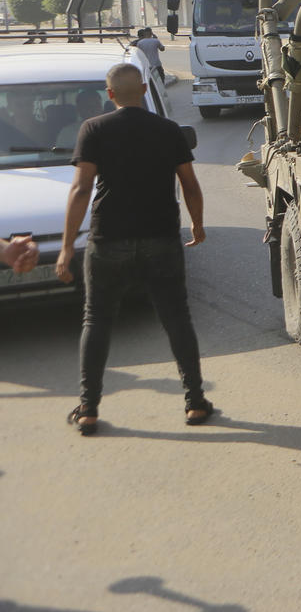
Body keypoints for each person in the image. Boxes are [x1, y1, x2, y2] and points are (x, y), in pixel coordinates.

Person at [57, 63, 211, 434]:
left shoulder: (93, 129)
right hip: (160, 238)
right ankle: (194, 403)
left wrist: (66, 248)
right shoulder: (168, 130)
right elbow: (189, 183)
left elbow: (80, 189)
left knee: (96, 321)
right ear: (143, 88)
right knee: (177, 318)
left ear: (110, 95)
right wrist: (198, 224)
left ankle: (89, 408)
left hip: (108, 239)